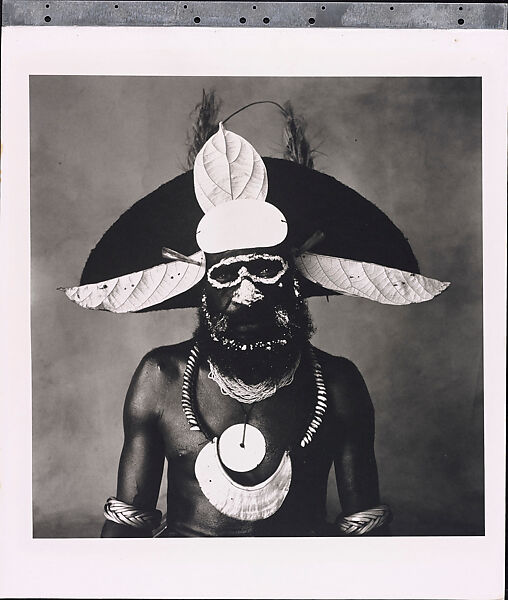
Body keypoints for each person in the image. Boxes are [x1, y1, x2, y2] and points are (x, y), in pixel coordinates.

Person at [63, 116, 448, 537]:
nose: (247, 296)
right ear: (202, 291)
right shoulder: (162, 379)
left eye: (266, 270)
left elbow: (366, 535)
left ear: (295, 282)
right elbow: (127, 526)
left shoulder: (336, 384)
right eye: (226, 275)